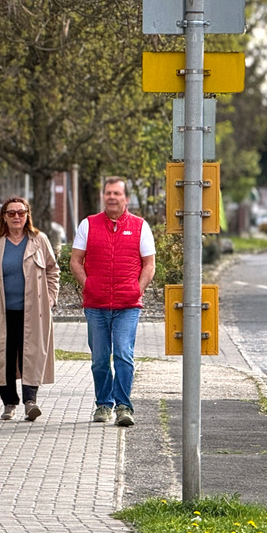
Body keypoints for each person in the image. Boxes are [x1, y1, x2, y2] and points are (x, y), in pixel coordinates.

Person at [69, 177, 156, 427]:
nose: (112, 197)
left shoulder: (140, 226)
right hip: (96, 305)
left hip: (127, 306)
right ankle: (103, 404)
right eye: (108, 193)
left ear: (126, 198)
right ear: (103, 196)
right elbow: (76, 261)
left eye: (117, 193)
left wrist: (136, 289)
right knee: (99, 358)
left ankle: (124, 406)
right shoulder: (88, 225)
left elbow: (149, 264)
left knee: (123, 354)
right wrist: (89, 285)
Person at [0, 197, 59, 421]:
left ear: (27, 215)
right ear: (3, 216)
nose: (16, 217)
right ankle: (9, 403)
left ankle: (30, 401)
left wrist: (50, 298)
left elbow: (52, 270)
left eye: (21, 213)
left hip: (33, 311)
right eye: (11, 213)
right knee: (3, 355)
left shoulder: (38, 240)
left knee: (31, 354)